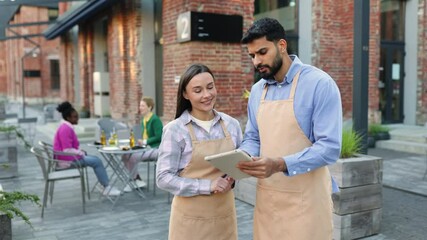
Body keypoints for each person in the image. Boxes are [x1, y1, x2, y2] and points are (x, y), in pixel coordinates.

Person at [236, 18, 343, 240]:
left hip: (308, 204)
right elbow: (253, 137)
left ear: (282, 46)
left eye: (262, 52)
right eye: (252, 56)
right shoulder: (257, 91)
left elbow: (329, 148)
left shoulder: (320, 84)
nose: (257, 61)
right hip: (268, 201)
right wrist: (243, 157)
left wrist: (279, 164)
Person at [156, 64, 243, 240]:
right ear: (185, 94)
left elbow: (239, 163)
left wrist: (235, 175)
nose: (207, 95)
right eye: (198, 90)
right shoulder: (175, 130)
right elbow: (163, 178)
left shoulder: (232, 125)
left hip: (224, 217)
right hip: (189, 221)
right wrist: (208, 185)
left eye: (210, 87)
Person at [53, 101, 121, 196]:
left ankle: (104, 185)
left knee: (95, 160)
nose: (77, 119)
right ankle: (106, 187)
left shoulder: (66, 127)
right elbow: (67, 150)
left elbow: (69, 148)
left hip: (68, 158)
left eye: (77, 116)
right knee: (96, 161)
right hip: (67, 162)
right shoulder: (65, 129)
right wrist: (81, 153)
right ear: (68, 118)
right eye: (75, 117)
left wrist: (79, 151)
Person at [122, 97, 163, 192]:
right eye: (140, 105)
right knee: (125, 155)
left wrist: (145, 142)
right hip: (146, 148)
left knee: (132, 157)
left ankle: (133, 180)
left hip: (156, 149)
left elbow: (160, 136)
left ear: (149, 107)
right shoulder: (144, 120)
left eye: (143, 105)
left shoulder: (155, 119)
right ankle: (137, 179)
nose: (140, 107)